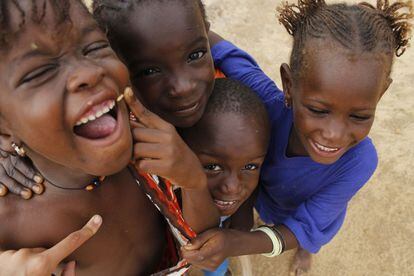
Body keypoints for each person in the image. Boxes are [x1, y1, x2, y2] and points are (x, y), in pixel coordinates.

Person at [182, 0, 413, 275]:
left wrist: (235, 242)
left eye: (359, 116)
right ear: (289, 86)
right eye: (317, 110)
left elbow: (305, 225)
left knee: (306, 238)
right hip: (265, 200)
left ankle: (305, 253)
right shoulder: (268, 105)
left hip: (303, 215)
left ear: (381, 94)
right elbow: (227, 54)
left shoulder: (358, 162)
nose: (333, 135)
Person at [0, 0, 218, 275]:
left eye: (95, 47)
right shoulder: (9, 222)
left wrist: (193, 181)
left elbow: (207, 245)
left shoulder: (149, 130)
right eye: (39, 73)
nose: (90, 72)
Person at [179, 78, 270, 275]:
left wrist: (239, 219)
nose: (232, 187)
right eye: (212, 166)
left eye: (250, 166)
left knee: (215, 258)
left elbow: (240, 228)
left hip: (218, 239)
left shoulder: (239, 196)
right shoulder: (162, 189)